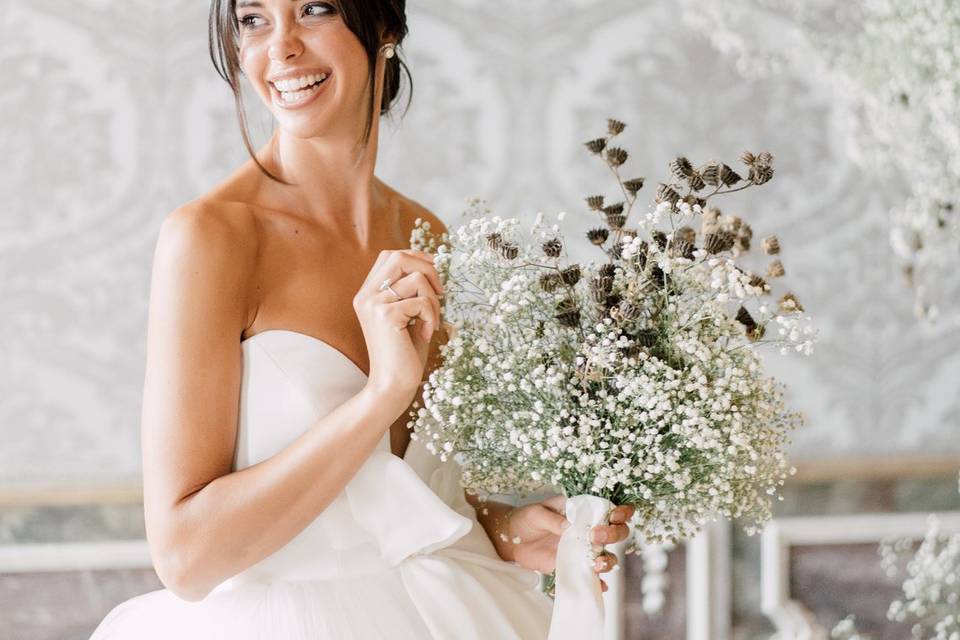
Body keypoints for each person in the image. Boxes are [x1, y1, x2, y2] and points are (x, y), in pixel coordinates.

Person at [89, 1, 635, 638]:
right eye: (254, 19)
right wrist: (382, 394)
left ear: (385, 28)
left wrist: (506, 530)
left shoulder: (424, 234)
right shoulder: (212, 239)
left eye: (314, 9)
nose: (282, 47)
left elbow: (396, 493)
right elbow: (185, 559)